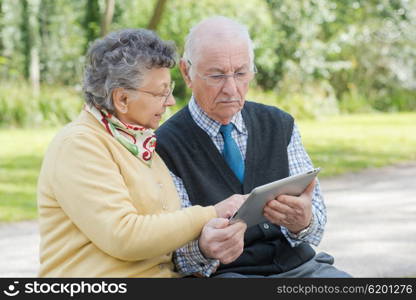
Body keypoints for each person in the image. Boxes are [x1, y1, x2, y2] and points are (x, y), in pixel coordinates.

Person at [37, 28, 246, 277]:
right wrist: (212, 212)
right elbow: (124, 236)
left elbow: (166, 234)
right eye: (161, 92)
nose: (169, 102)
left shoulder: (141, 145)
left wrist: (211, 240)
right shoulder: (79, 145)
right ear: (122, 99)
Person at [156, 16, 351, 278]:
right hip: (226, 276)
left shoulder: (280, 125)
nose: (231, 88)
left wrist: (303, 221)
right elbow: (174, 251)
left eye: (241, 73)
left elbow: (315, 228)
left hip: (300, 268)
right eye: (216, 75)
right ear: (186, 72)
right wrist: (203, 248)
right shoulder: (165, 145)